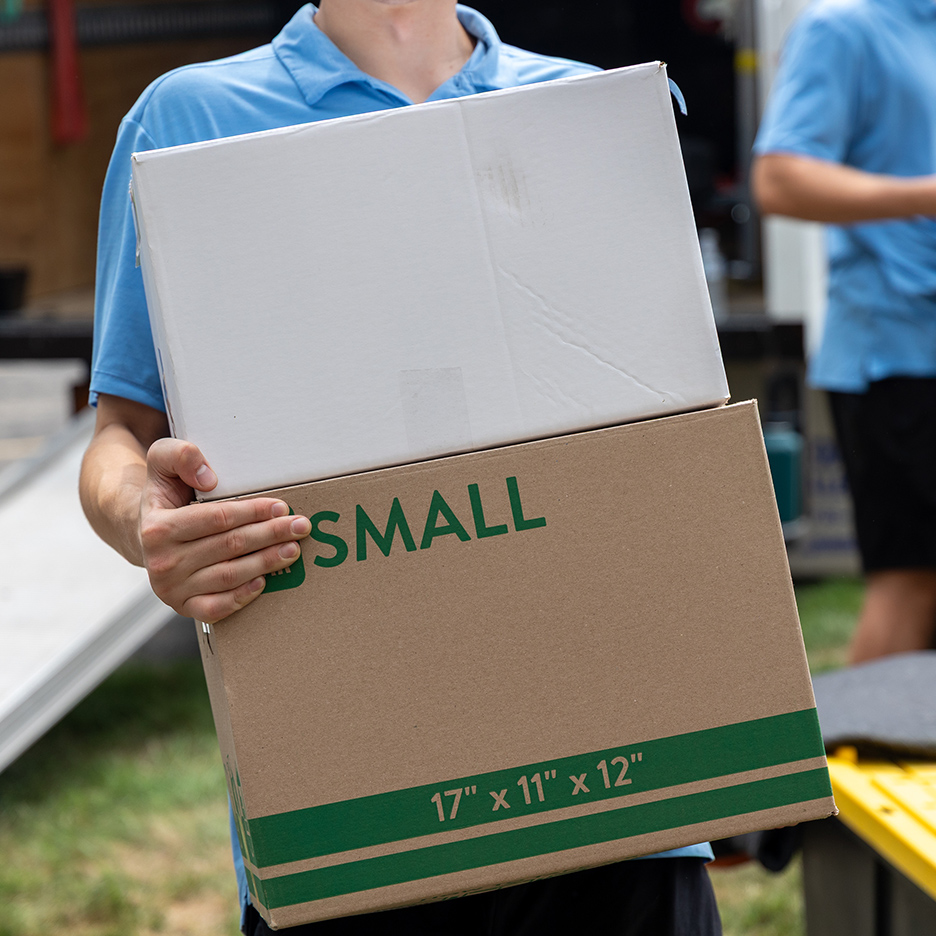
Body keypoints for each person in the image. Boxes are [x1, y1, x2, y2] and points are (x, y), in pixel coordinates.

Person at [79, 2, 721, 933]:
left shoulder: (589, 109)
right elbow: (120, 433)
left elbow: (674, 430)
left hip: (623, 793)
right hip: (354, 813)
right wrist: (146, 519)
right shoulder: (190, 118)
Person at [751, 0, 936, 665]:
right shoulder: (843, 28)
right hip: (896, 355)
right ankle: (867, 737)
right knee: (913, 581)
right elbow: (779, 179)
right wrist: (925, 196)